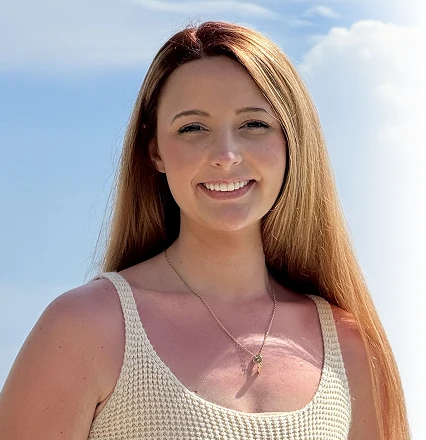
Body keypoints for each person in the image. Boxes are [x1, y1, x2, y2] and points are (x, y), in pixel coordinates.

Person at [0, 21, 409, 440]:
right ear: (155, 151)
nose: (226, 155)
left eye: (254, 124)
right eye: (192, 128)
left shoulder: (348, 346)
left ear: (292, 142)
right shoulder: (86, 329)